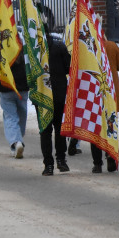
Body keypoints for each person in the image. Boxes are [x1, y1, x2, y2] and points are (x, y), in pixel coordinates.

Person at [89, 37, 119, 173]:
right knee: (110, 124)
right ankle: (110, 156)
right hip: (110, 93)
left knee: (95, 127)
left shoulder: (88, 47)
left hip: (93, 92)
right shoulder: (111, 46)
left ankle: (97, 163)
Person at [39, 33, 71, 175]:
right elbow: (68, 68)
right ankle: (61, 160)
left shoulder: (35, 51)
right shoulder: (59, 47)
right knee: (59, 128)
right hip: (59, 94)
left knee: (45, 131)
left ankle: (48, 165)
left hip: (42, 95)